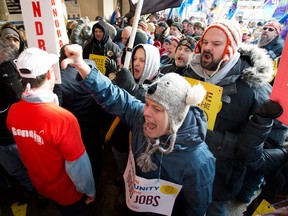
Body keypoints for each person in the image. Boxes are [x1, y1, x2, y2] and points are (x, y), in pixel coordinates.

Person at [61, 44, 216, 216]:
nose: (146, 112)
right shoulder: (140, 117)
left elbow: (197, 208)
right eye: (147, 104)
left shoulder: (198, 161)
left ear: (176, 116)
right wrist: (84, 68)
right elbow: (114, 95)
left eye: (157, 109)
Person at [187, 19, 288, 215]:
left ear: (231, 47)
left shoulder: (255, 88)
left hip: (221, 179)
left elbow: (273, 142)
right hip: (187, 170)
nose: (207, 48)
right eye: (205, 42)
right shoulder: (192, 73)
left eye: (216, 44)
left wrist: (220, 143)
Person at [6, 47, 95, 216]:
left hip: (40, 185)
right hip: (69, 194)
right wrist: (89, 191)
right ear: (49, 74)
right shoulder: (63, 119)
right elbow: (79, 168)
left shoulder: (13, 112)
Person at [0, 36, 34, 204]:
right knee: (15, 171)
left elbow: (20, 98)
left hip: (17, 136)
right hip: (2, 142)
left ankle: (39, 191)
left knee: (32, 167)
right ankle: (29, 189)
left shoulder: (9, 71)